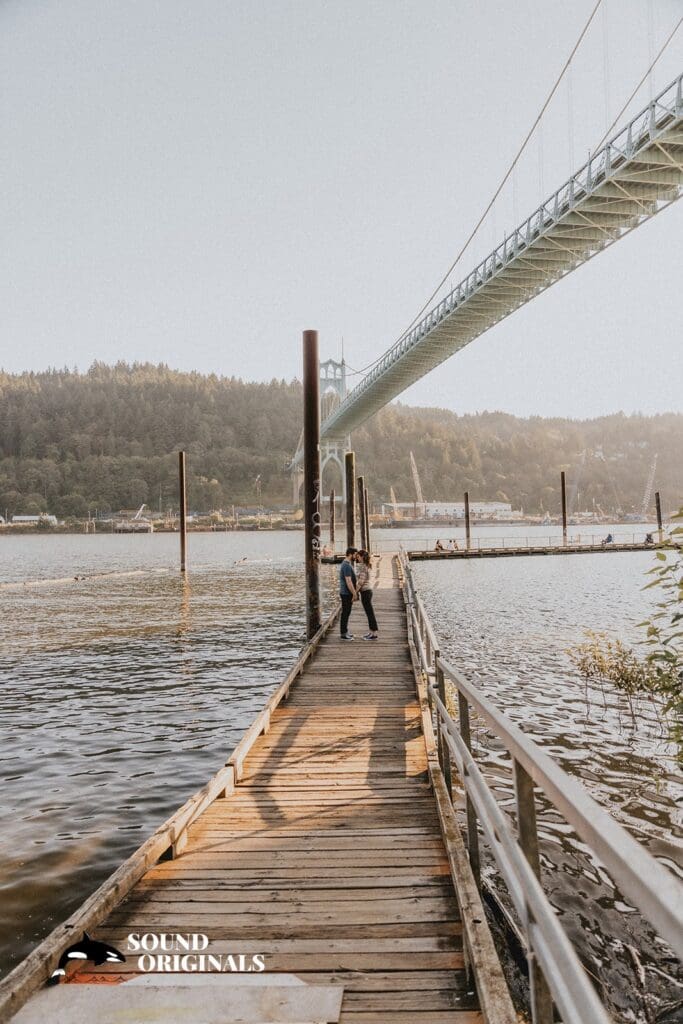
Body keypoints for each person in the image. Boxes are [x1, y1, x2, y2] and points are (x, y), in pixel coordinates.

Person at [356, 549, 378, 640]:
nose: (357, 558)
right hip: (367, 591)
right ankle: (371, 632)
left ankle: (374, 633)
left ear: (362, 557)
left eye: (358, 557)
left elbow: (361, 581)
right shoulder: (366, 565)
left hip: (365, 592)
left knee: (370, 613)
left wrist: (355, 592)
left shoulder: (363, 567)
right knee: (369, 613)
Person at [339, 547, 358, 640]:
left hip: (347, 592)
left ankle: (345, 631)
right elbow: (348, 581)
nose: (356, 556)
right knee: (345, 613)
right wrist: (354, 593)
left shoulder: (346, 564)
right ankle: (343, 633)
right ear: (351, 554)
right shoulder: (346, 565)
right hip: (346, 593)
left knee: (347, 612)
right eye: (355, 554)